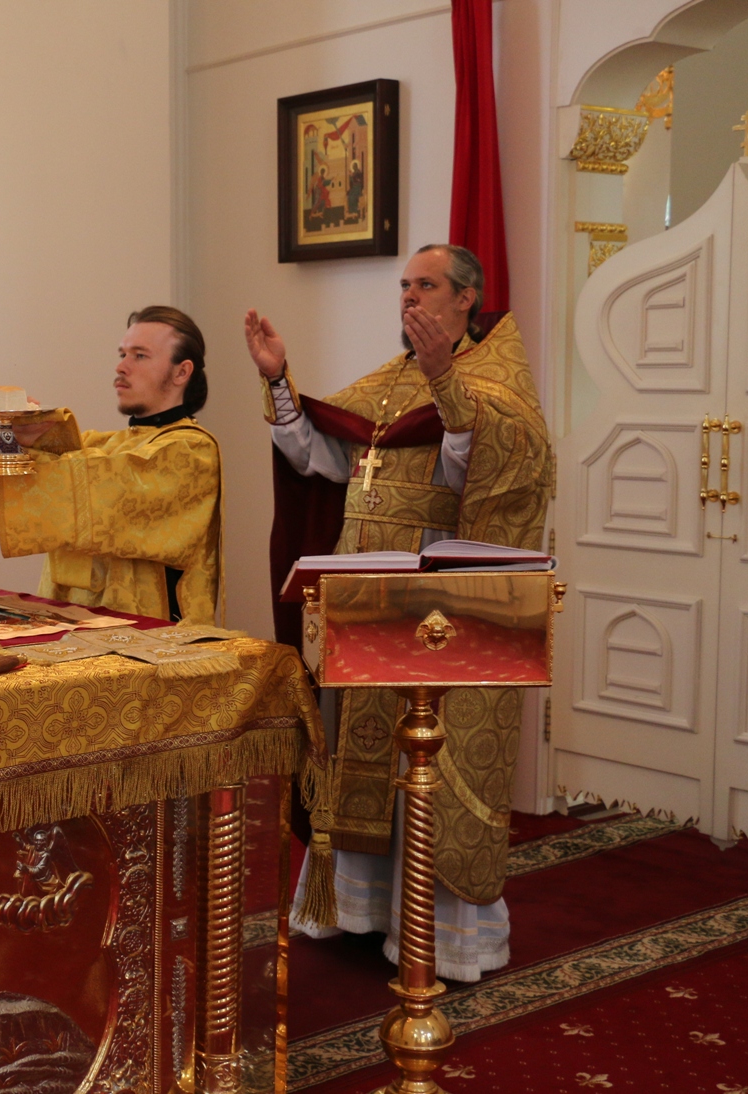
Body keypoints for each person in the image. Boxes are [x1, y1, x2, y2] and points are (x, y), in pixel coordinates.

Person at [246, 244, 553, 982]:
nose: (410, 296)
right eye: (405, 285)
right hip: (360, 592)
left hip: (433, 602)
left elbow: (485, 470)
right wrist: (280, 382)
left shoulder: (493, 382)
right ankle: (358, 909)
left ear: (466, 298)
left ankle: (439, 934)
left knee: (425, 758)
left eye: (427, 284)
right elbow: (319, 459)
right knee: (354, 749)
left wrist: (447, 379)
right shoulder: (386, 383)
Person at [0, 306, 222, 624]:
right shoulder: (110, 444)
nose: (121, 366)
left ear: (182, 372)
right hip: (76, 624)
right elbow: (72, 463)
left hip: (154, 636)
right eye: (122, 354)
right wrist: (24, 441)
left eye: (140, 356)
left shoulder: (193, 451)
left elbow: (101, 491)